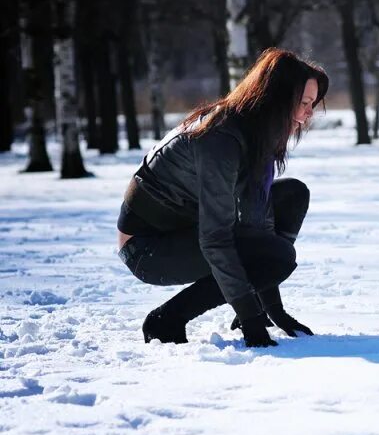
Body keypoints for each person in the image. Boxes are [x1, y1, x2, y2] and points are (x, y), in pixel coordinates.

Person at [116, 48, 328, 347]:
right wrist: (252, 321)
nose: (308, 114)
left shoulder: (255, 134)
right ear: (277, 98)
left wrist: (269, 309)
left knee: (291, 195)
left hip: (184, 230)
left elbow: (260, 226)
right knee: (277, 257)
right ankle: (167, 319)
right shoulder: (220, 138)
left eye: (312, 104)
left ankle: (247, 302)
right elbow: (216, 238)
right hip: (146, 248)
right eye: (304, 103)